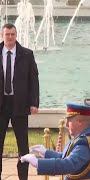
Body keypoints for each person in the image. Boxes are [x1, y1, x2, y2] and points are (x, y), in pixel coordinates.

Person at [20, 103, 90, 180]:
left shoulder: (84, 143)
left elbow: (68, 164)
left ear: (79, 122)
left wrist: (37, 163)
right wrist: (46, 153)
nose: (66, 124)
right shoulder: (85, 137)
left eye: (69, 120)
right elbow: (66, 156)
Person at [0, 23, 39, 180]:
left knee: (23, 146)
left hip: (20, 104)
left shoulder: (27, 54)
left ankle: (23, 176)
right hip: (1, 105)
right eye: (7, 34)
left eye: (12, 34)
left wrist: (34, 102)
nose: (10, 37)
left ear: (16, 35)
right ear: (2, 35)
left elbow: (34, 80)